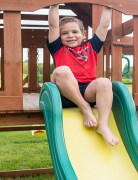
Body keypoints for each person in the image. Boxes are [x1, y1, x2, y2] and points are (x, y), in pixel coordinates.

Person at [46, 4, 119, 146]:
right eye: (65, 33)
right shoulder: (58, 48)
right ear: (59, 36)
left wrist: (108, 6)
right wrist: (54, 4)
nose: (70, 36)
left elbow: (103, 26)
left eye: (75, 32)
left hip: (87, 91)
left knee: (104, 82)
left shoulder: (91, 47)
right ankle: (85, 108)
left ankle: (103, 125)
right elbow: (53, 24)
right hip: (64, 94)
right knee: (62, 70)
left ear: (83, 34)